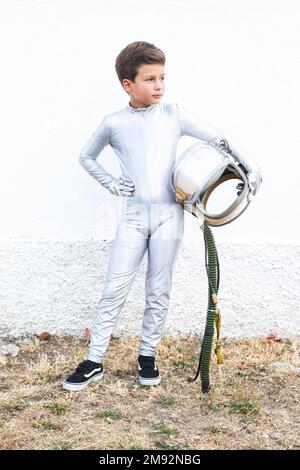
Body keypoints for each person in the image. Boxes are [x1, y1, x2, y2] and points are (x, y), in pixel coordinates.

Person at [63, 41, 262, 391]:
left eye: (162, 78)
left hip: (170, 215)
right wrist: (111, 182)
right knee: (114, 288)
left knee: (158, 289)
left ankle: (147, 356)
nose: (159, 86)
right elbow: (86, 157)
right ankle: (94, 360)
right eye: (150, 79)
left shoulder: (175, 114)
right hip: (134, 217)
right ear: (128, 84)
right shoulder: (113, 123)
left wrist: (249, 165)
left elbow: (219, 138)